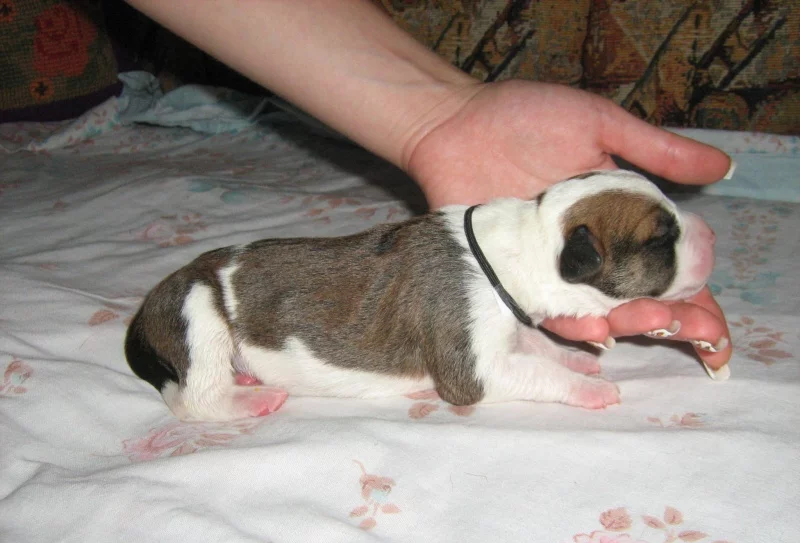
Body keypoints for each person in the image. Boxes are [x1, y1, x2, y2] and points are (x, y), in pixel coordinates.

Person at [124, 0, 733, 378]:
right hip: (218, 305)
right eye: (665, 238)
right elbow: (470, 381)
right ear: (581, 260)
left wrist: (443, 116)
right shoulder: (481, 269)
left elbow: (512, 318)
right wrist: (562, 384)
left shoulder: (499, 267)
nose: (700, 238)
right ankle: (201, 388)